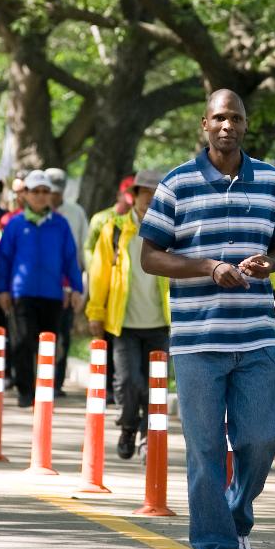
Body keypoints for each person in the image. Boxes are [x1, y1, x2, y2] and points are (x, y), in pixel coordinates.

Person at [138, 89, 275, 549]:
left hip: (256, 337)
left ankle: (234, 519)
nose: (228, 125)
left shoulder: (270, 179)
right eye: (219, 117)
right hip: (197, 341)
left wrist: (265, 263)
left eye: (237, 118)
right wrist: (208, 267)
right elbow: (150, 257)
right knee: (205, 450)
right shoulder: (176, 184)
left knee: (259, 441)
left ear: (246, 125)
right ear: (205, 124)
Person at [86, 169, 170, 459]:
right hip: (124, 324)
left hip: (161, 324)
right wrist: (95, 312)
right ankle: (128, 426)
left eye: (154, 194)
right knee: (128, 382)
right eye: (144, 193)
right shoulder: (115, 229)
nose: (148, 199)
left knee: (154, 385)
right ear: (133, 196)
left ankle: (148, 436)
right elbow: (98, 275)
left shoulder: (172, 231)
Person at [0, 170, 83, 408]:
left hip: (52, 294)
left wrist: (76, 288)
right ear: (25, 194)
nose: (41, 196)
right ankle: (25, 390)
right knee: (23, 341)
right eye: (36, 192)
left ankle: (45, 388)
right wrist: (2, 289)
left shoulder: (60, 224)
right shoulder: (15, 224)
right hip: (22, 293)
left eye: (45, 192)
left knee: (48, 344)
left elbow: (70, 259)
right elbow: (4, 258)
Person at [46, 167, 87, 396]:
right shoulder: (35, 213)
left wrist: (78, 288)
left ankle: (57, 382)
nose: (51, 195)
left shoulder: (75, 213)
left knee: (62, 334)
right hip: (43, 287)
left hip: (68, 287)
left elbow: (80, 253)